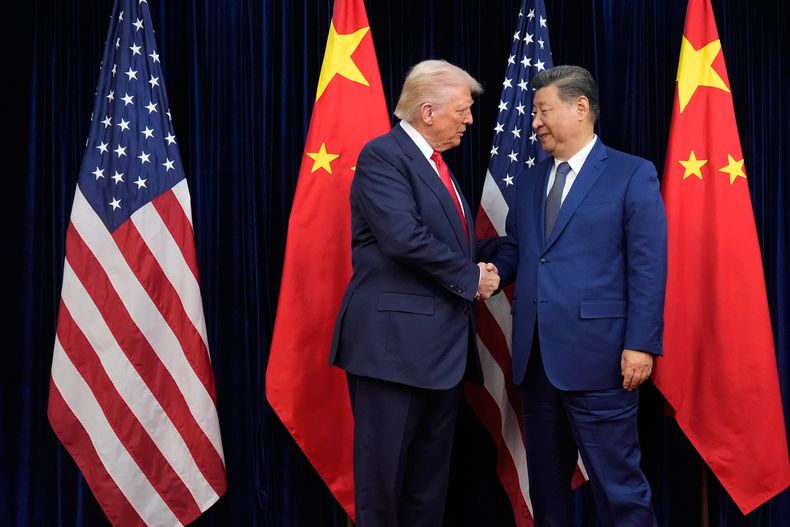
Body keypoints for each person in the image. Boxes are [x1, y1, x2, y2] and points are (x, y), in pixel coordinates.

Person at [491, 65, 667, 526]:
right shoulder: (531, 182)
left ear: (580, 108)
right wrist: (489, 273)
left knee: (618, 487)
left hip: (603, 359)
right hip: (536, 362)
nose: (534, 123)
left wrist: (642, 343)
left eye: (543, 110)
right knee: (547, 492)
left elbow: (647, 266)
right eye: (533, 112)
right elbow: (520, 249)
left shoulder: (632, 174)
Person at [329, 60, 499, 527]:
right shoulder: (384, 155)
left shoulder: (436, 165)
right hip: (393, 351)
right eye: (462, 110)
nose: (469, 119)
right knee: (384, 488)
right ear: (428, 111)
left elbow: (450, 243)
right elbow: (403, 238)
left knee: (427, 487)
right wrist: (472, 277)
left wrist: (503, 253)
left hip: (439, 354)